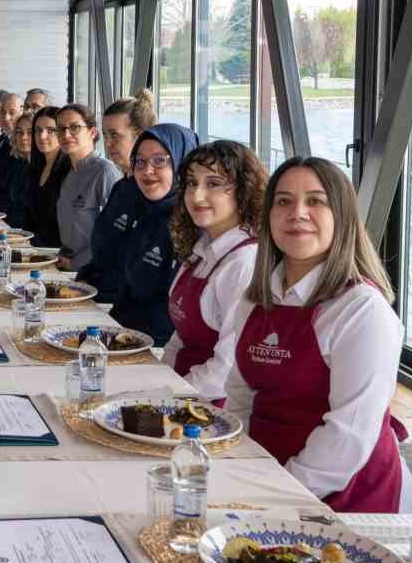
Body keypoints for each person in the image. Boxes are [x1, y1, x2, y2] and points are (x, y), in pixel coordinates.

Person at [221, 157, 408, 513]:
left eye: (316, 201)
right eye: (284, 201)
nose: (297, 213)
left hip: (339, 496)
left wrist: (271, 497)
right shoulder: (256, 298)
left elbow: (347, 436)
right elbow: (240, 397)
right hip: (261, 476)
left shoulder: (361, 310)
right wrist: (234, 468)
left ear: (342, 215)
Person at [164, 140, 266, 400]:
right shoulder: (201, 250)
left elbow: (227, 370)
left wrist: (163, 398)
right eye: (191, 183)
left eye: (213, 184)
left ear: (244, 191)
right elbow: (180, 337)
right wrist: (159, 379)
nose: (196, 196)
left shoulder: (244, 264)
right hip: (181, 390)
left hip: (213, 405)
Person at [78, 122, 198, 336]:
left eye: (159, 161)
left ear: (183, 165)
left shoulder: (194, 225)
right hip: (122, 330)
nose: (147, 170)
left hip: (158, 344)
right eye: (140, 161)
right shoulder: (143, 211)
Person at [53, 103, 120, 272]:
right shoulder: (69, 172)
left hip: (92, 268)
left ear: (92, 132)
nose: (66, 134)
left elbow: (114, 233)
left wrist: (77, 263)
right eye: (60, 129)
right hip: (66, 264)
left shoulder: (104, 171)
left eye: (74, 127)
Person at [25, 107, 70, 249]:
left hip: (59, 252)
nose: (42, 136)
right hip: (34, 247)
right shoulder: (36, 168)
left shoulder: (69, 169)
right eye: (38, 130)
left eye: (51, 130)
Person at [102, 89, 157, 177]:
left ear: (140, 137)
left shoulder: (155, 183)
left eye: (114, 135)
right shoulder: (123, 183)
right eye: (105, 135)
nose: (107, 144)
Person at [0, 112, 36, 230]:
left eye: (30, 132)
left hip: (23, 235)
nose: (23, 137)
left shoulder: (41, 169)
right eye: (19, 132)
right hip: (7, 228)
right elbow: (6, 201)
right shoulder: (19, 164)